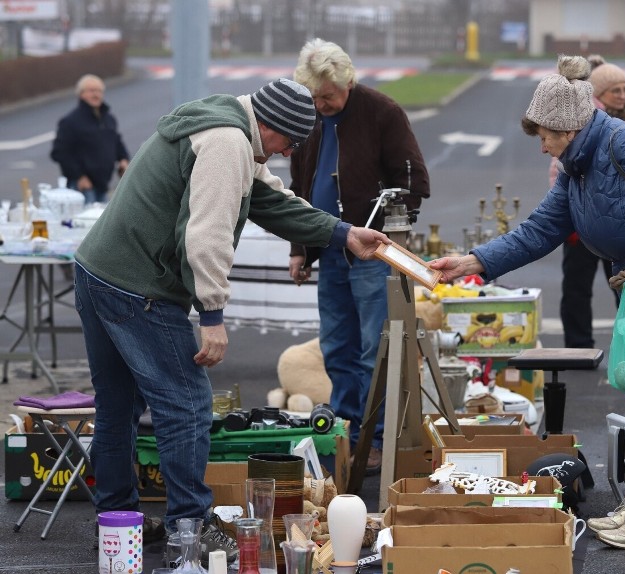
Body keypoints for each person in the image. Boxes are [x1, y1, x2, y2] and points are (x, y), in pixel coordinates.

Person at [430, 55, 625, 549]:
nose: (542, 147)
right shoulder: (576, 167)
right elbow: (538, 232)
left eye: (546, 136)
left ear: (570, 126)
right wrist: (473, 262)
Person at [73, 77, 389, 562]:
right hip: (140, 287)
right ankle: (191, 529)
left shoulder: (224, 124)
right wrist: (213, 315)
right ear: (269, 125)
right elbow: (207, 235)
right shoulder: (227, 144)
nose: (285, 153)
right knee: (187, 405)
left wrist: (343, 233)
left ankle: (118, 522)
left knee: (117, 408)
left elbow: (269, 201)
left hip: (99, 270)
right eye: (288, 142)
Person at [289, 38, 430, 474]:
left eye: (328, 96)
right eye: (314, 97)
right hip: (331, 250)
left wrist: (390, 235)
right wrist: (299, 248)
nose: (321, 104)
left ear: (348, 81)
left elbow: (413, 179)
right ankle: (347, 436)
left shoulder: (382, 113)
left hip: (372, 254)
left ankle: (376, 439)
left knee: (375, 350)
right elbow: (298, 187)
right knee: (337, 348)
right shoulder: (310, 116)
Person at [553, 56, 625, 348]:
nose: (622, 95)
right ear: (598, 94)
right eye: (616, 90)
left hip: (620, 224)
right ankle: (578, 347)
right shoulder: (580, 125)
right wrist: (570, 214)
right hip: (581, 224)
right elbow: (559, 174)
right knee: (577, 287)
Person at [50, 74, 130, 204]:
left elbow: (116, 141)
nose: (96, 94)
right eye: (92, 90)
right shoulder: (70, 121)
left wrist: (123, 159)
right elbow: (59, 152)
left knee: (101, 222)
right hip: (81, 188)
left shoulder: (108, 119)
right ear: (81, 94)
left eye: (99, 91)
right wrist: (79, 176)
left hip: (103, 185)